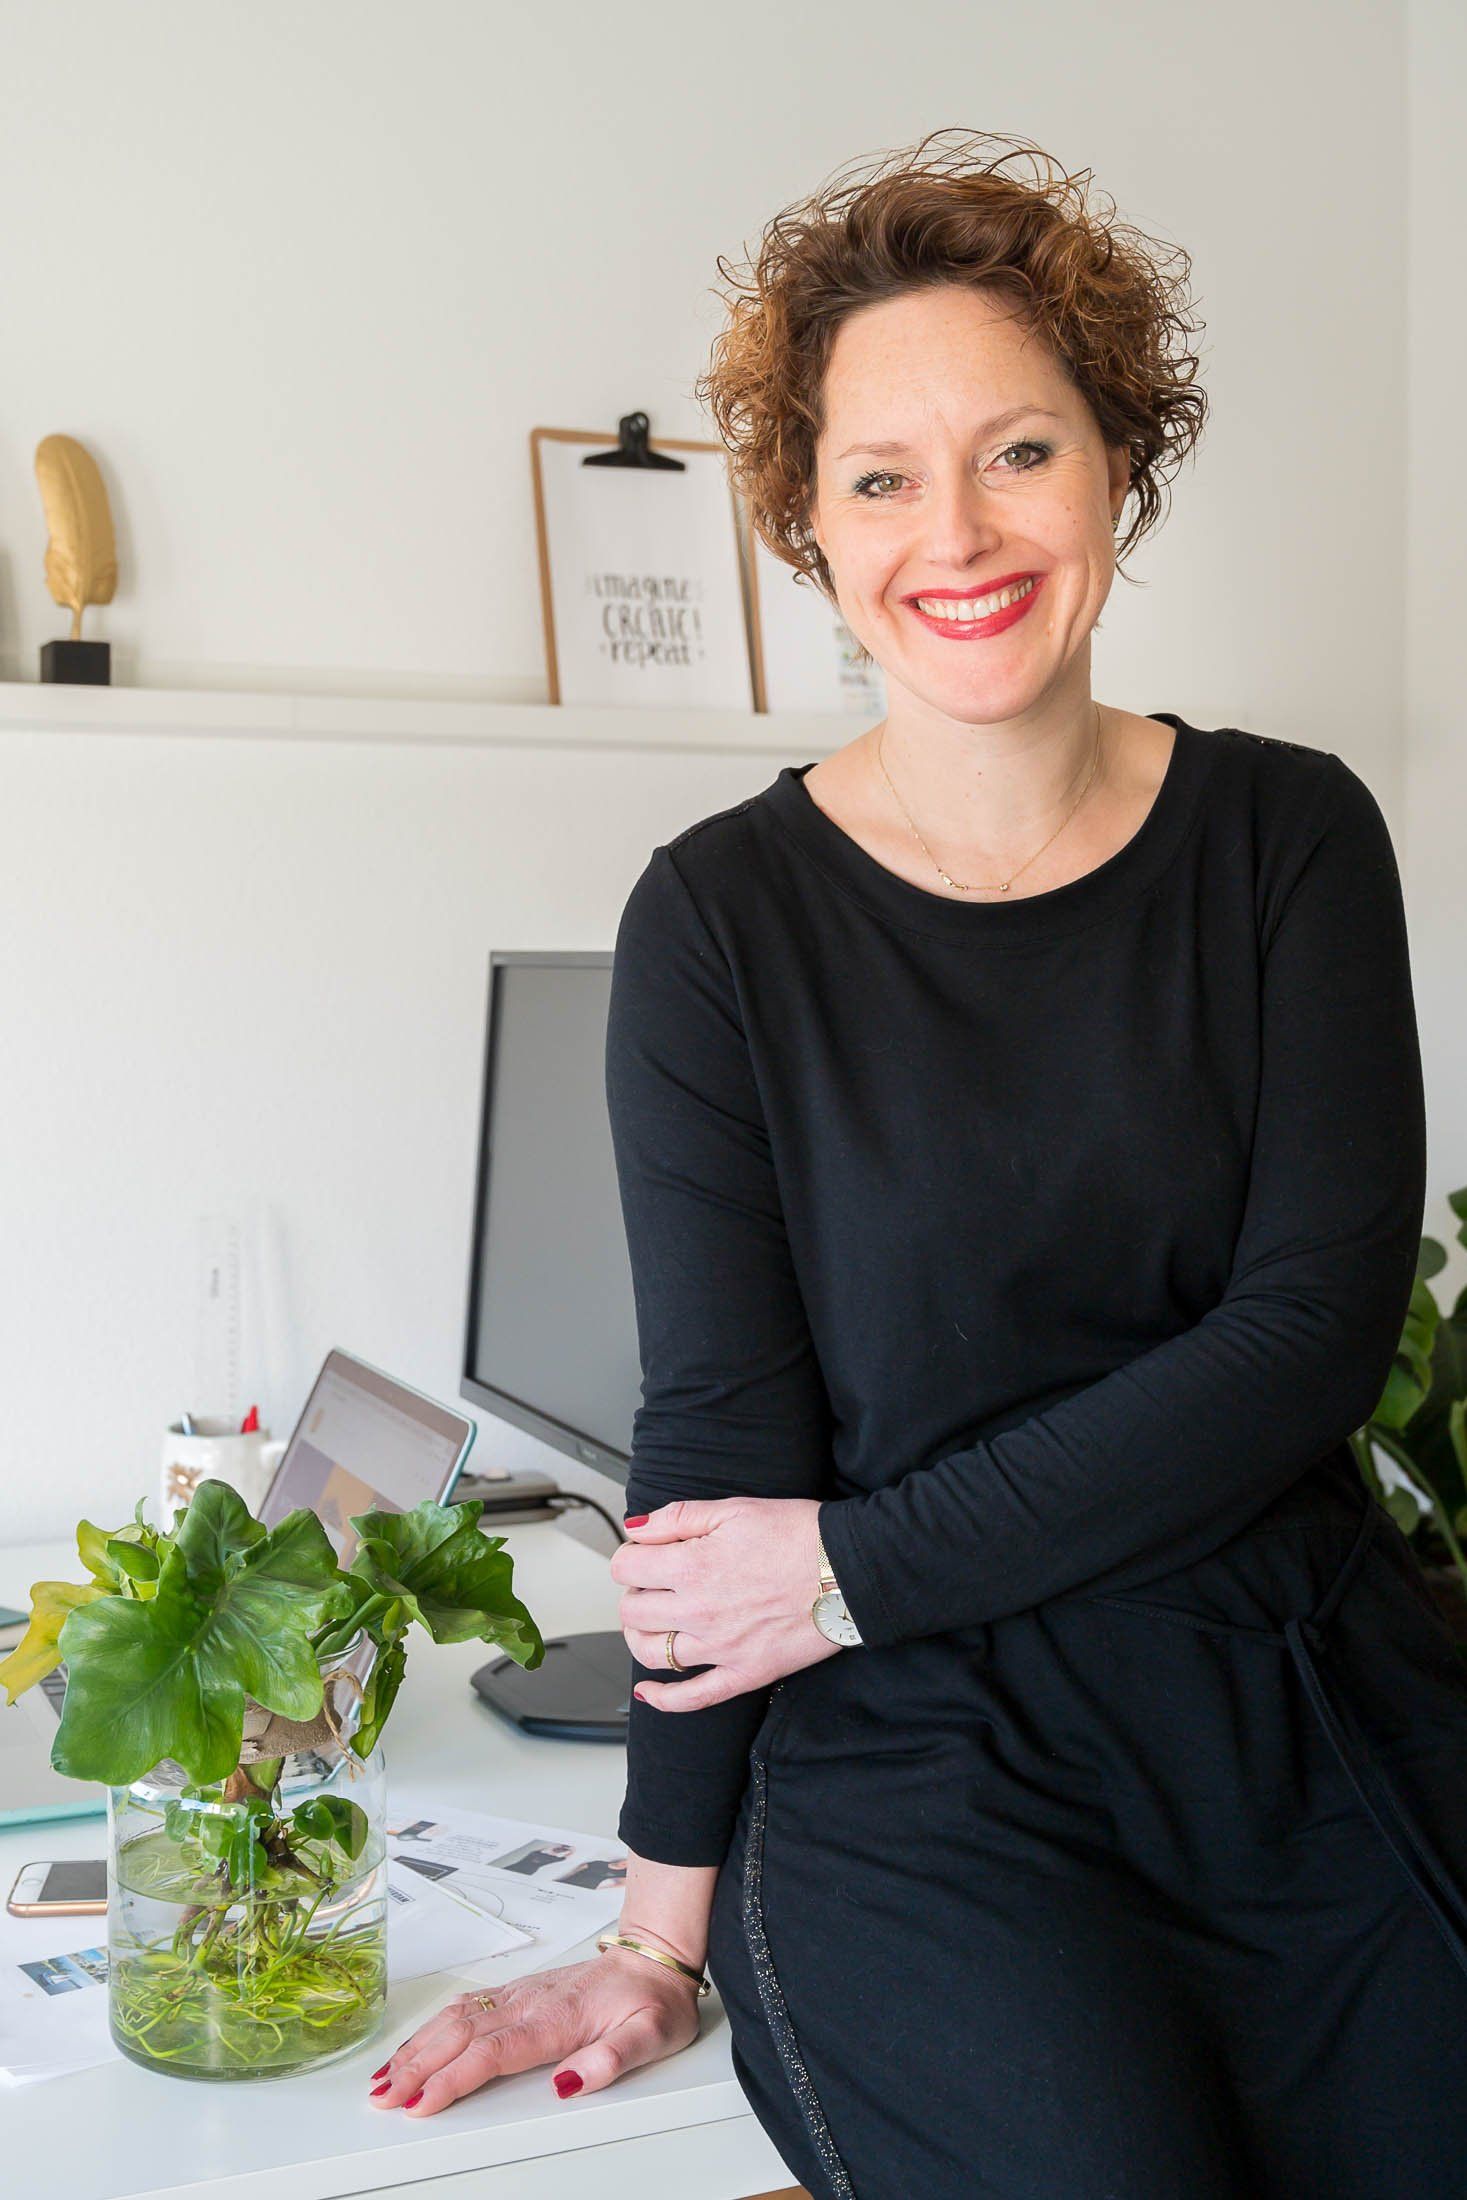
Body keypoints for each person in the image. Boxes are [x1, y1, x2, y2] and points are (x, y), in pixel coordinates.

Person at [366, 127, 1467, 2194]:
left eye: (1018, 451)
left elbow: (1307, 1336)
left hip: (1283, 1697)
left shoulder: (1287, 838)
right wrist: (647, 1935)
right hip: (923, 1747)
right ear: (803, 522)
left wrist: (855, 1559)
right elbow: (720, 1432)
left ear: (1115, 470)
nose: (952, 532)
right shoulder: (717, 917)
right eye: (877, 476)